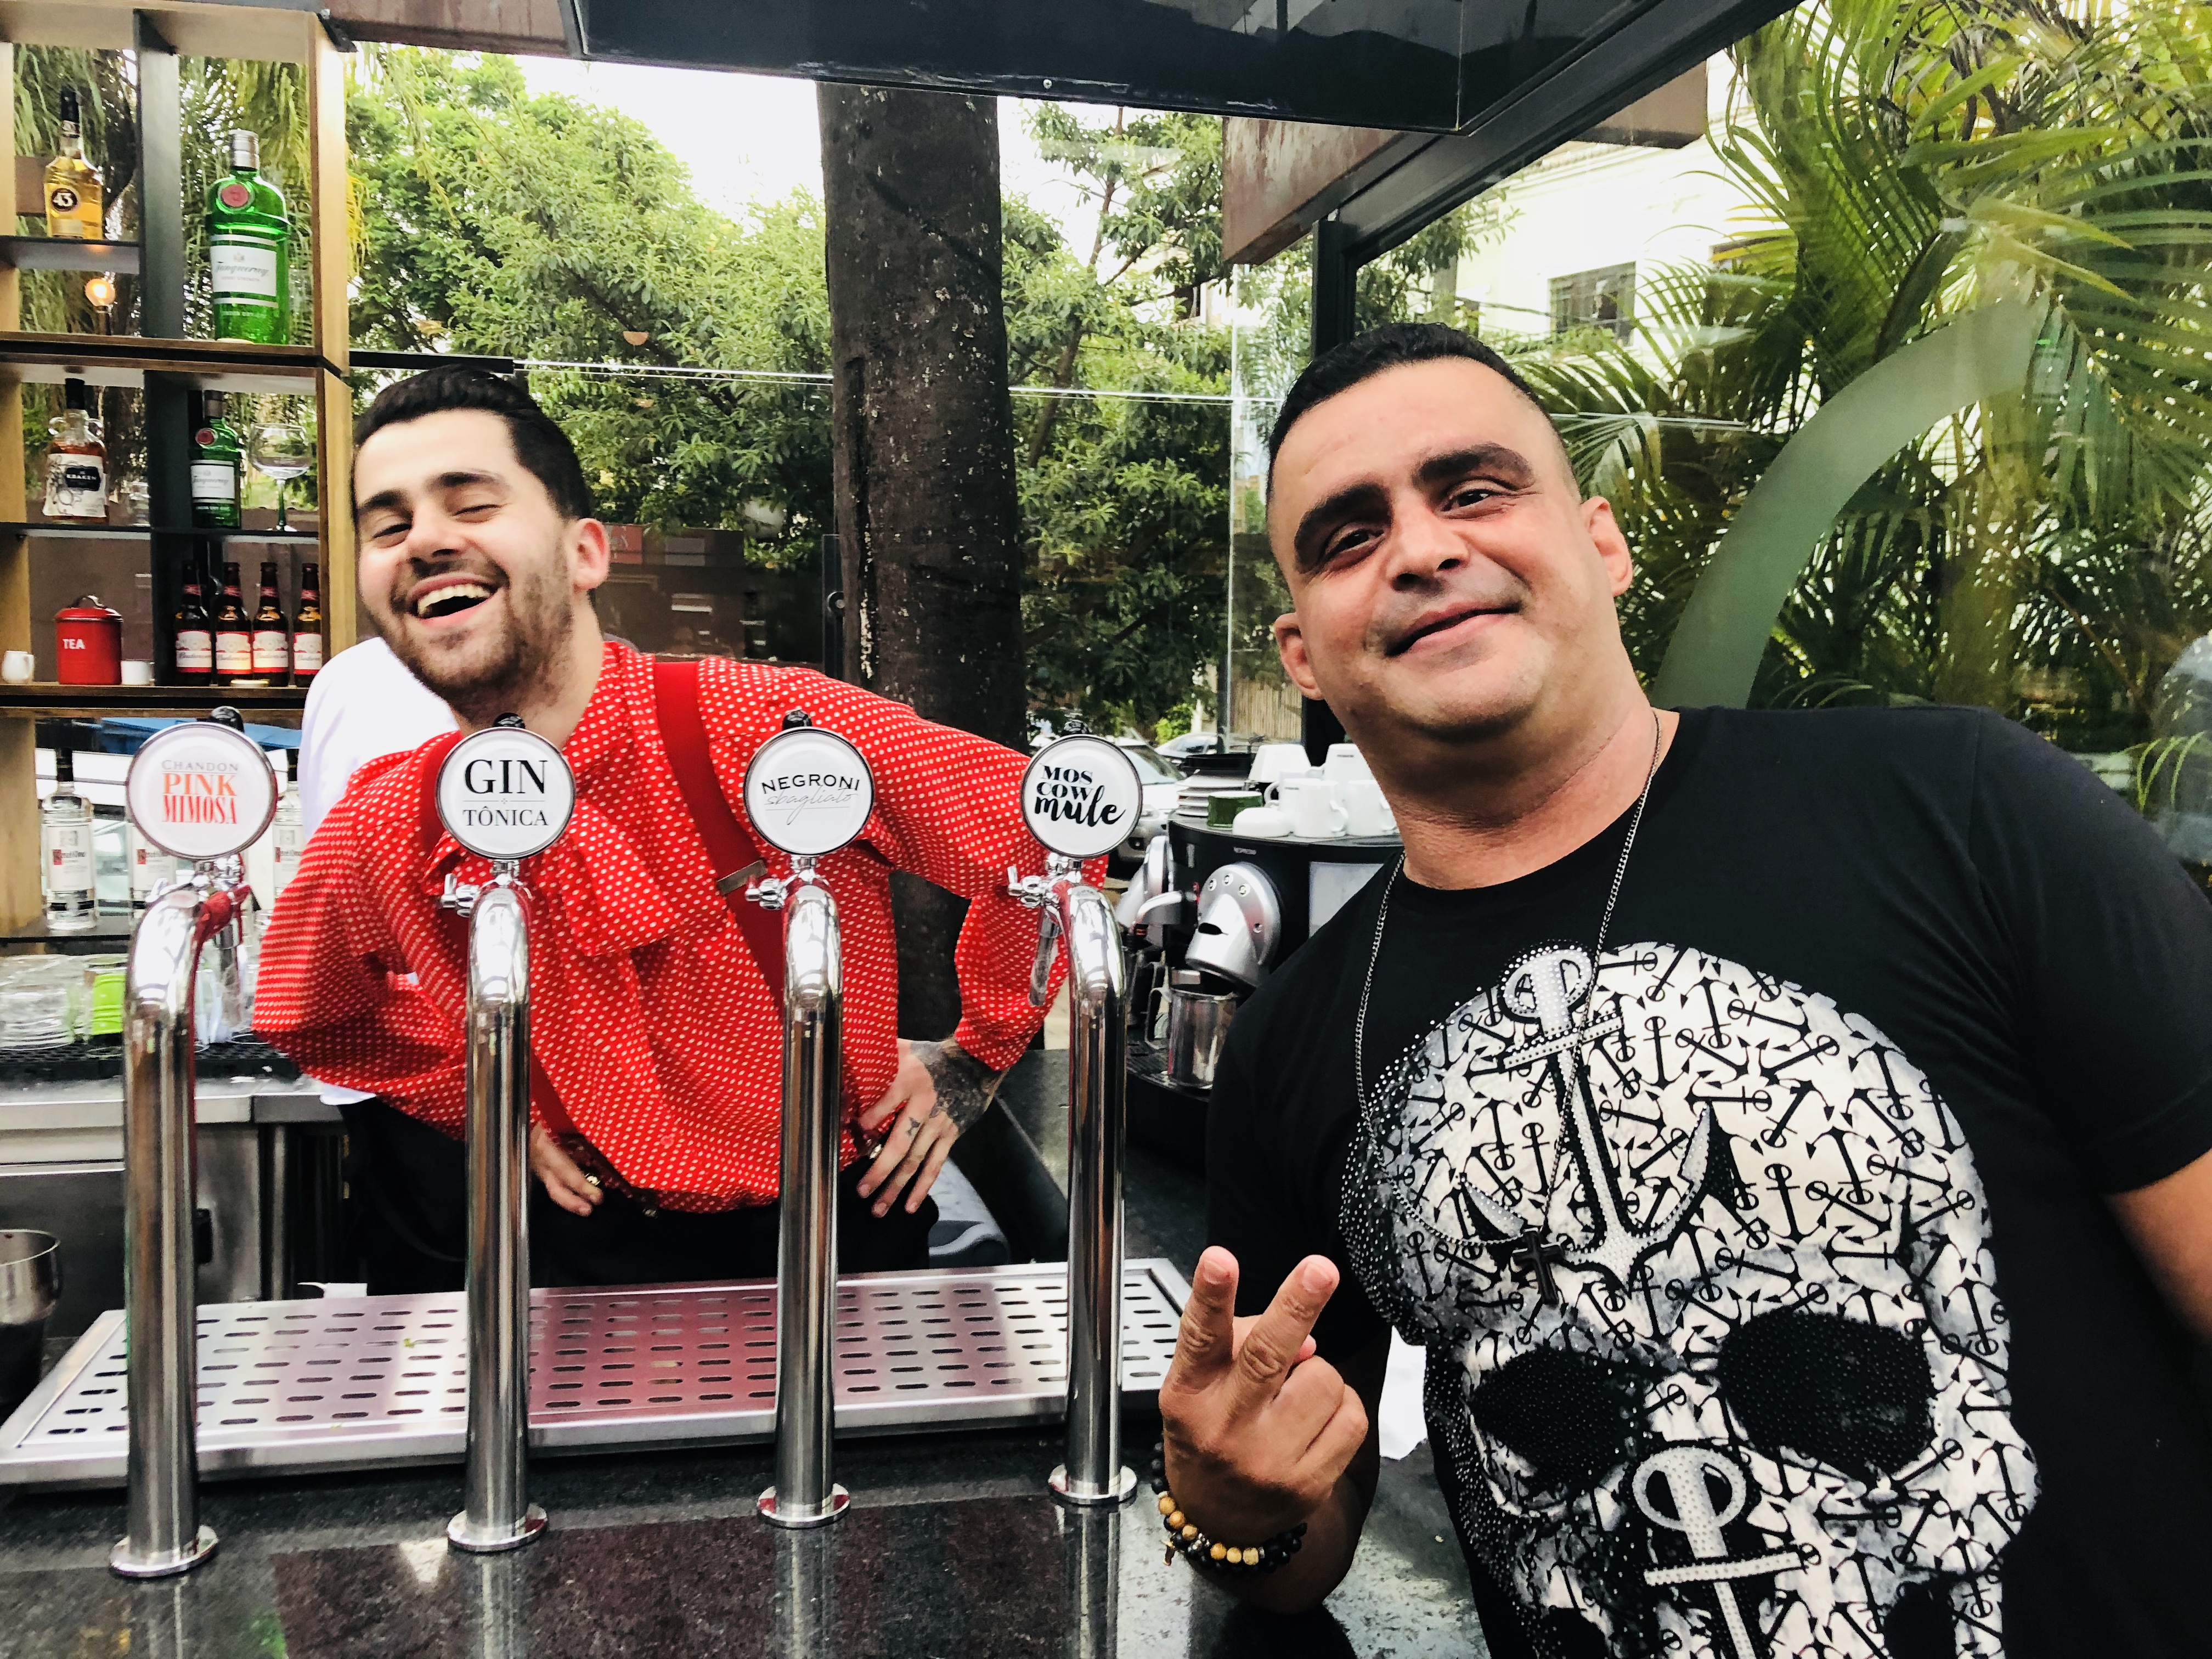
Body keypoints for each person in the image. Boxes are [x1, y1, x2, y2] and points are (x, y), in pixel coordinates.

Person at [1159, 323, 2212, 1658]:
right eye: (1349, 538)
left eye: (1474, 490)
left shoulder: (1966, 814)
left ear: (1602, 543)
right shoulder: (1297, 1043)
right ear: (1302, 654)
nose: (1421, 549)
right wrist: (1226, 1508)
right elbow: (1302, 1539)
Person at [255, 366, 1077, 1291]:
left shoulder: (768, 732)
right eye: (388, 524)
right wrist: (492, 1097)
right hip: (582, 1248)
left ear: (585, 554)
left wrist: (976, 1057)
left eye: (471, 504)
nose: (426, 540)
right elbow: (306, 1008)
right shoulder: (391, 822)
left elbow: (1050, 831)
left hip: (845, 1234)